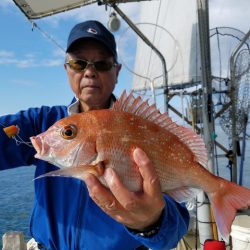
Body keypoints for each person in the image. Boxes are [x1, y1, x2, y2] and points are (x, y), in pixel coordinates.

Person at [0, 20, 189, 250]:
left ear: (117, 71)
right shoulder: (44, 123)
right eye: (79, 63)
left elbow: (173, 232)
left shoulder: (142, 127)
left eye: (101, 64)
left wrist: (150, 223)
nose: (89, 72)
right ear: (66, 68)